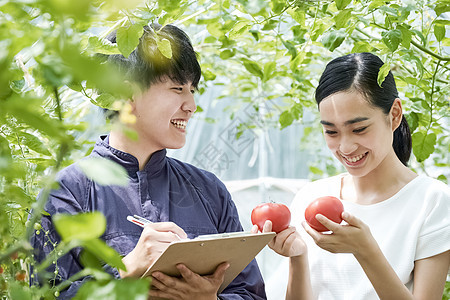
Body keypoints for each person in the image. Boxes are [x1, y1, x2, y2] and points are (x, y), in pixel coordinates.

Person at [31, 23, 267, 299]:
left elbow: (251, 294)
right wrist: (125, 270)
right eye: (178, 88)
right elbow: (43, 294)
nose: (191, 105)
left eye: (193, 89)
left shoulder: (210, 190)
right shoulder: (67, 192)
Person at [255, 52, 450, 299]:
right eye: (331, 132)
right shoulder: (312, 196)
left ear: (395, 115)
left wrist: (366, 251)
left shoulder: (432, 201)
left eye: (359, 129)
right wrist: (298, 258)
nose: (345, 148)